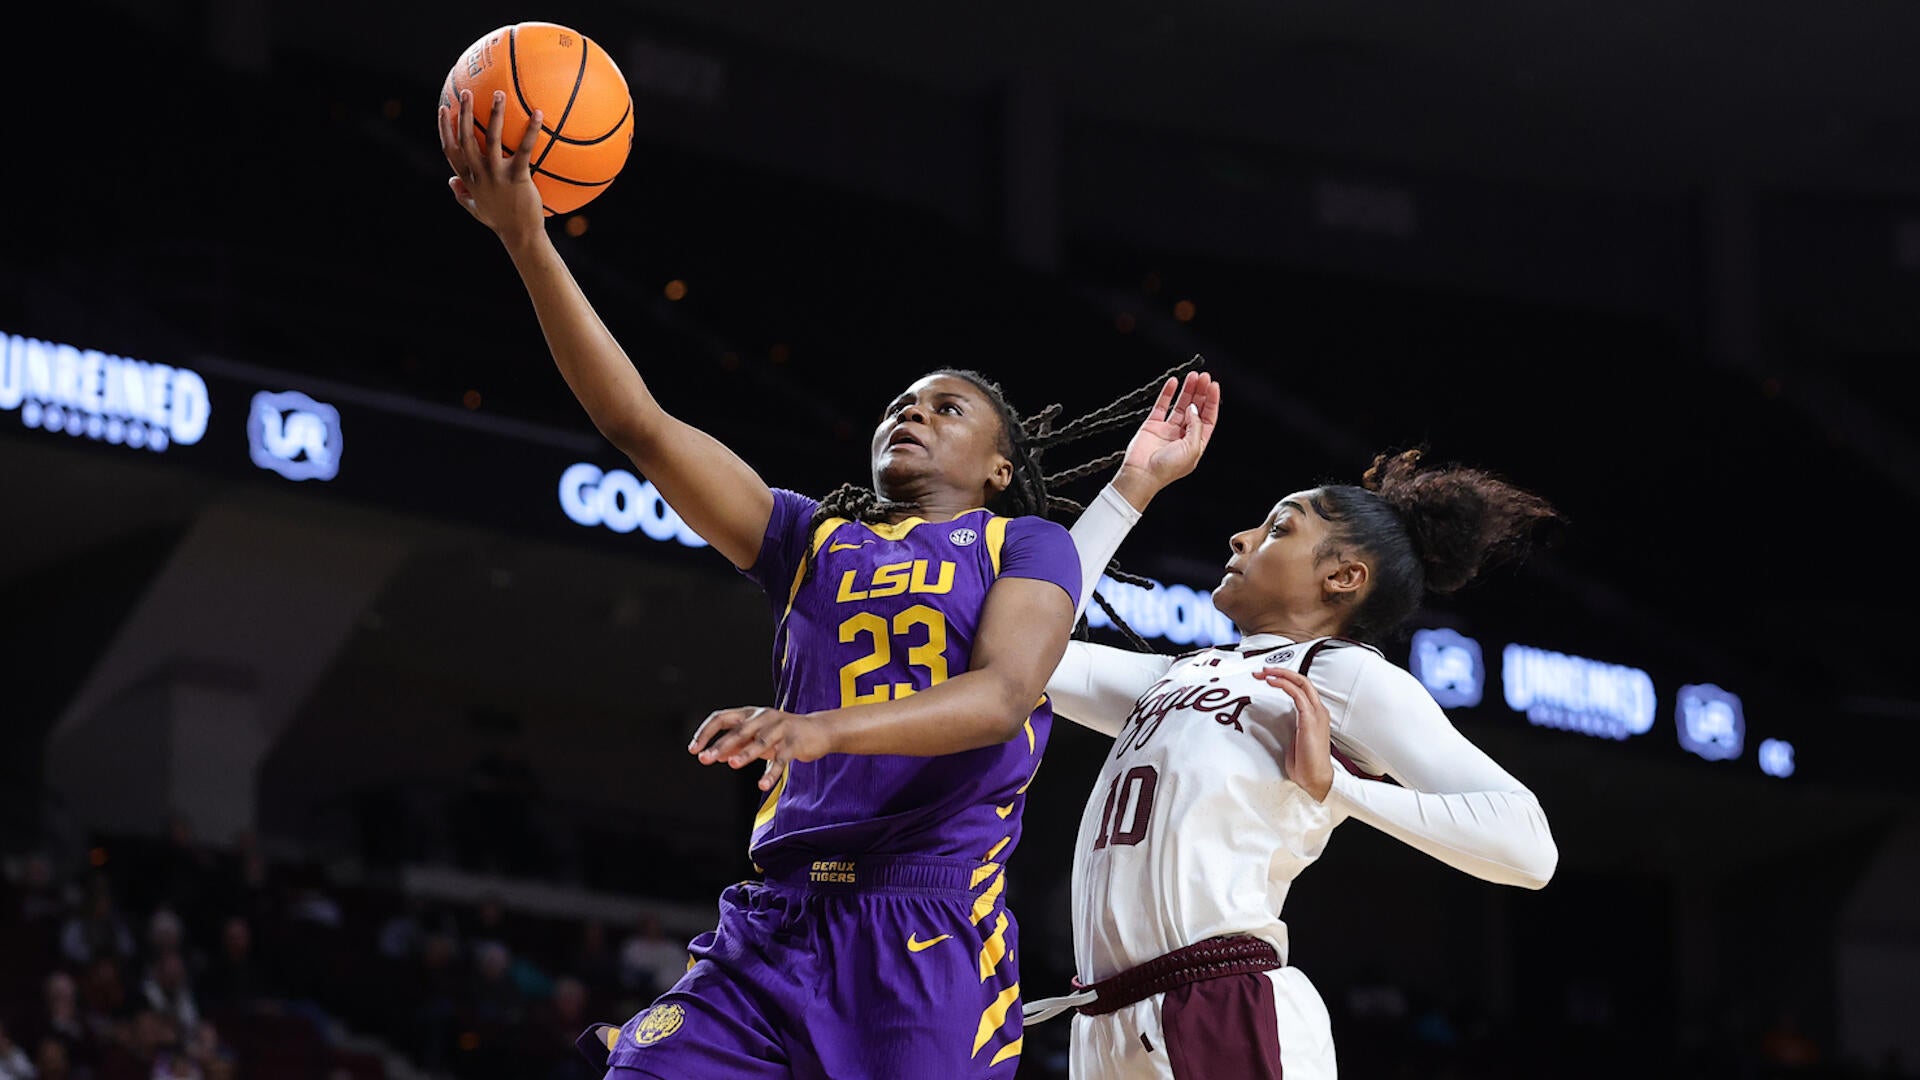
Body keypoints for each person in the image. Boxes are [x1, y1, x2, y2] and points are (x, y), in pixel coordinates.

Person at [436, 86, 1218, 1079]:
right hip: (779, 923)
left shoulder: (1024, 546)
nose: (914, 413)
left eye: (948, 408)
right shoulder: (806, 538)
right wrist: (527, 242)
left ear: (997, 468)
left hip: (928, 930)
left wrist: (820, 729)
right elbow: (638, 422)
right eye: (903, 403)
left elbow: (1004, 696)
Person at [1024, 445, 1563, 1079]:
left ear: (1343, 577)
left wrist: (1337, 788)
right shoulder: (1180, 674)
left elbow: (1528, 847)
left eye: (1279, 528)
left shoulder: (1342, 673)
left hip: (1222, 1002)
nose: (1242, 536)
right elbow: (1024, 647)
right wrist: (1132, 487)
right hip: (1103, 1020)